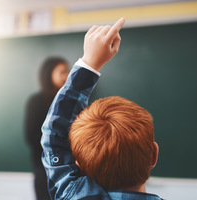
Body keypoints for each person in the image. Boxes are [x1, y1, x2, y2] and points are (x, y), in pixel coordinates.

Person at [41, 18, 163, 200]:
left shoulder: (74, 195)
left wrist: (89, 63)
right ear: (154, 154)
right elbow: (55, 140)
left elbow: (54, 137)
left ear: (79, 164)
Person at [24, 57, 69, 200]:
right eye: (62, 72)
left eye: (68, 71)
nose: (66, 76)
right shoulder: (36, 101)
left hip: (68, 168)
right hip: (44, 168)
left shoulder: (69, 101)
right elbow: (31, 136)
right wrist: (60, 142)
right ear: (49, 73)